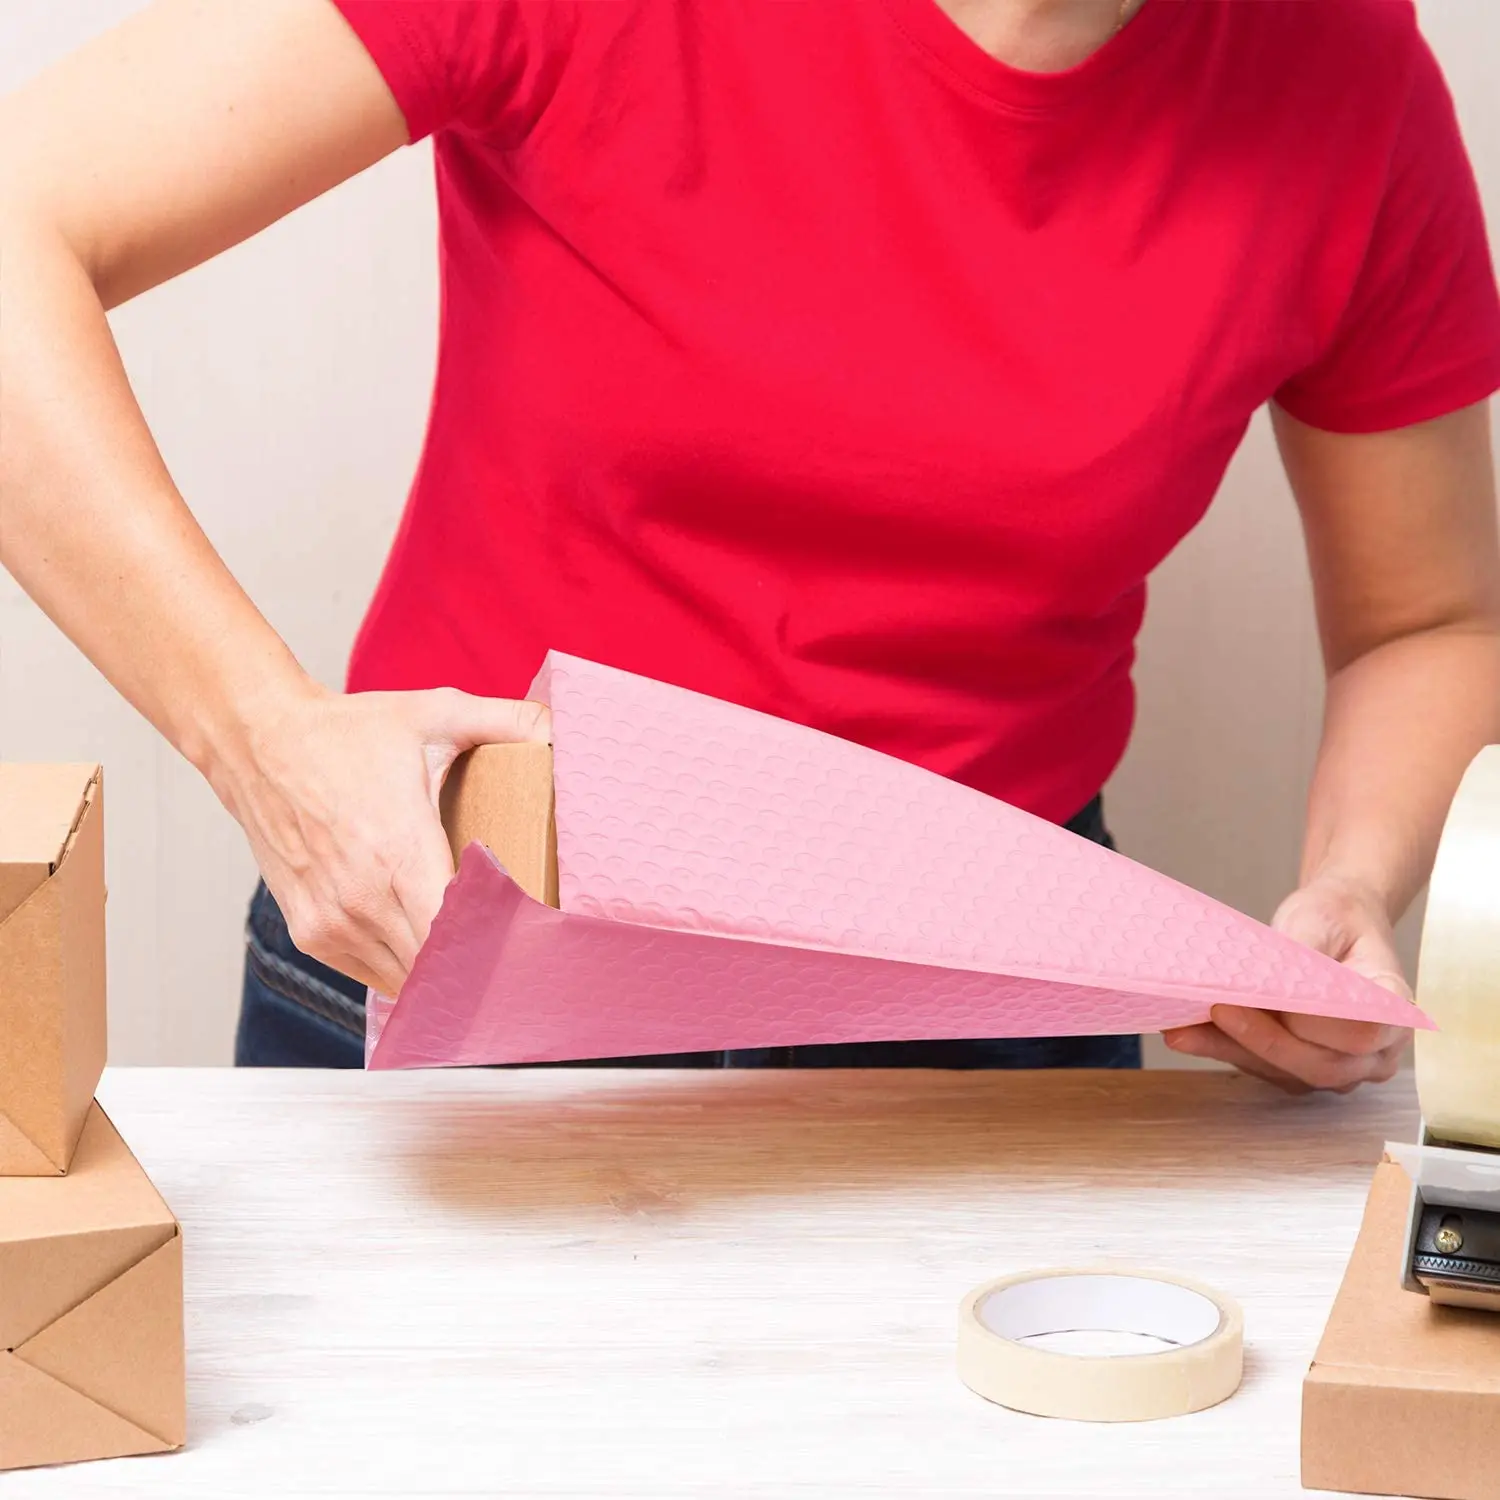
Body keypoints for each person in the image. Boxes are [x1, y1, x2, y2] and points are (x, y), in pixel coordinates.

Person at [2, 0, 1498, 1089]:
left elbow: (1430, 621)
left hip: (982, 1027)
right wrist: (264, 744)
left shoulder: (1349, 77)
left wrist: (1352, 887)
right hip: (465, 949)